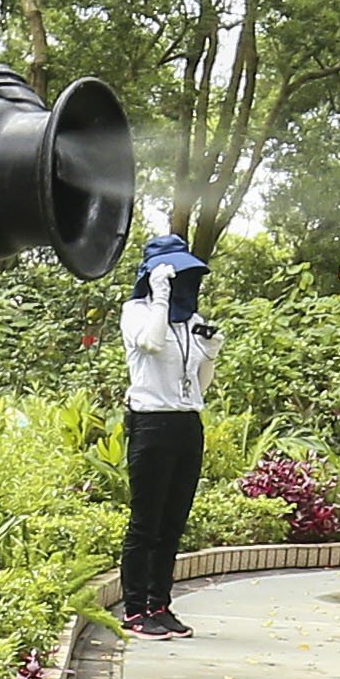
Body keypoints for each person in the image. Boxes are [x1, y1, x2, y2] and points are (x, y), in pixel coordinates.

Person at [116, 234, 213, 637]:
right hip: (151, 423)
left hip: (187, 424)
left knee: (173, 522)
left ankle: (161, 603)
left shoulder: (190, 324)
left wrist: (210, 352)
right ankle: (136, 609)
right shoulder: (136, 312)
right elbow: (151, 344)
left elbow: (198, 385)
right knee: (146, 522)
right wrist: (158, 296)